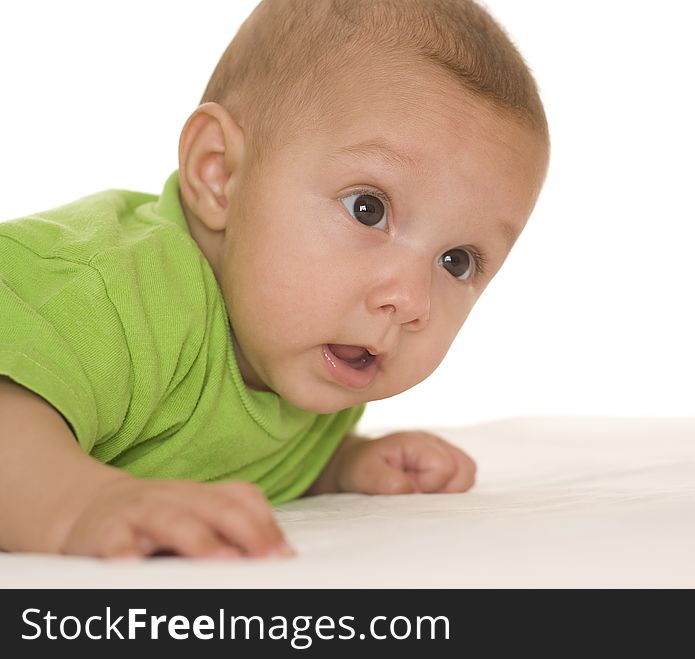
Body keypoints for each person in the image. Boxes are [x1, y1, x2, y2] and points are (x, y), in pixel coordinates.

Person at [0, 0, 549, 559]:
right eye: (367, 210)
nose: (410, 301)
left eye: (455, 261)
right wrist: (81, 507)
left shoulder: (310, 349)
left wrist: (335, 465)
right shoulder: (116, 295)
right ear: (220, 174)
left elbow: (204, 444)